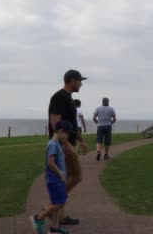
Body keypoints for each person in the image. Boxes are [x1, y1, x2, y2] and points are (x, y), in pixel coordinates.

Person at [48, 69, 89, 226]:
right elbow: (55, 122)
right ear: (72, 80)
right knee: (76, 176)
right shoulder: (60, 97)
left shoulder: (69, 99)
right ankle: (52, 210)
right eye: (80, 81)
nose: (81, 84)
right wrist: (65, 144)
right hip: (62, 147)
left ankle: (58, 213)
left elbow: (70, 125)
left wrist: (81, 140)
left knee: (68, 178)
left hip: (69, 144)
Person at [30, 121, 70, 234]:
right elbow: (50, 163)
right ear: (61, 131)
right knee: (58, 204)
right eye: (67, 134)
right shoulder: (53, 144)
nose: (67, 137)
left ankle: (54, 228)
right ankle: (38, 218)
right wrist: (61, 174)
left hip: (59, 179)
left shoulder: (57, 144)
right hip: (54, 179)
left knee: (59, 203)